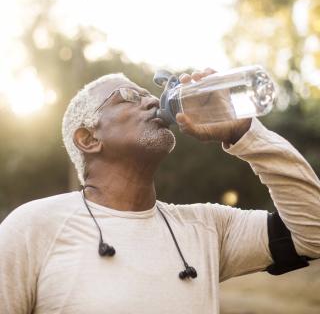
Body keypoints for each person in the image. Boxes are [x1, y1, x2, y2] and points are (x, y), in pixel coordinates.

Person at [0, 68, 319, 314]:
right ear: (89, 139)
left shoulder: (208, 228)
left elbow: (313, 232)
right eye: (128, 96)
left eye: (148, 94)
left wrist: (245, 134)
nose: (153, 100)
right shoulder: (33, 226)